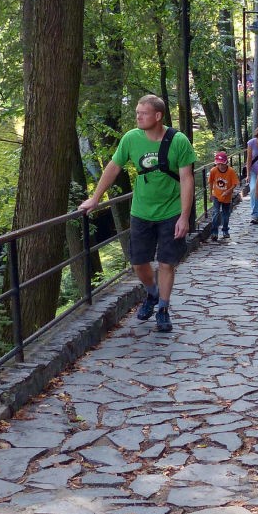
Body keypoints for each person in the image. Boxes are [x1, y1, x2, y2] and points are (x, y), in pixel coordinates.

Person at [77, 94, 196, 334]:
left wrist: (184, 217)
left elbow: (186, 178)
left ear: (158, 116)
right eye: (137, 113)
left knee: (166, 263)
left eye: (143, 113)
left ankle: (163, 309)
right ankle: (152, 293)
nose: (138, 117)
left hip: (171, 211)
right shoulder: (131, 139)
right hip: (141, 211)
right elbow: (113, 167)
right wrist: (96, 198)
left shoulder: (178, 141)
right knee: (139, 263)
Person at [205, 151, 240, 243]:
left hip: (227, 197)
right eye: (218, 164)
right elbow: (210, 182)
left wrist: (228, 191)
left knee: (226, 214)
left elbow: (234, 184)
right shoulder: (213, 170)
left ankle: (225, 230)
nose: (220, 166)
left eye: (222, 164)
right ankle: (214, 232)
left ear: (226, 163)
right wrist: (210, 194)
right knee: (216, 213)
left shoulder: (231, 171)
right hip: (216, 195)